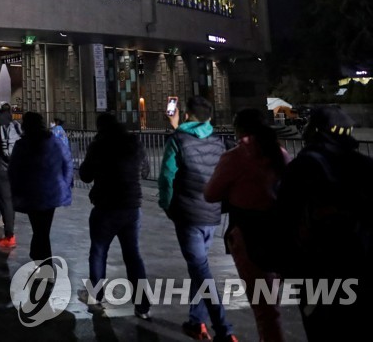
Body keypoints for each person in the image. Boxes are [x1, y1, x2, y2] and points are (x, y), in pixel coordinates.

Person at [276, 105, 373, 340]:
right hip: (361, 263)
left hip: (317, 268)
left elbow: (284, 216)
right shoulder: (365, 165)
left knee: (322, 328)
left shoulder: (303, 167)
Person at [204, 108, 289, 342]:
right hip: (280, 234)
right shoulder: (280, 153)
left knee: (264, 310)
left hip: (248, 235)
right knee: (271, 304)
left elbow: (211, 193)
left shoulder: (236, 156)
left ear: (239, 128)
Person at [158, 96, 236, 342]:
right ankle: (196, 322)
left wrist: (168, 206)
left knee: (202, 272)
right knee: (198, 269)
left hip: (188, 215)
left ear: (187, 115)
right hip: (211, 215)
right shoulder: (218, 142)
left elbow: (166, 177)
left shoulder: (177, 140)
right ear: (210, 118)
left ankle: (224, 330)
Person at [79, 113, 150, 319]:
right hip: (131, 206)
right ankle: (142, 305)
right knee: (133, 255)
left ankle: (96, 296)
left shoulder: (98, 145)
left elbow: (85, 174)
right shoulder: (133, 142)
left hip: (106, 207)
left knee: (99, 252)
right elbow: (145, 170)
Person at [9, 111, 73, 262]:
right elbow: (67, 161)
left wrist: (15, 190)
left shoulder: (22, 145)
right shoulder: (54, 141)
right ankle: (40, 259)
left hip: (31, 193)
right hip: (52, 192)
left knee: (40, 230)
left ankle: (43, 264)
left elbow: (14, 170)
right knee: (42, 230)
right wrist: (65, 183)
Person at [0, 103, 22, 248]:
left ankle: (9, 235)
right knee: (10, 201)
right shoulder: (17, 125)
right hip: (16, 169)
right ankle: (9, 229)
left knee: (4, 201)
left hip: (0, 169)